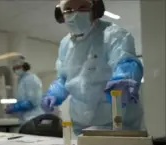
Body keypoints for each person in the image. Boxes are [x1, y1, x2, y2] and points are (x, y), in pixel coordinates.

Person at [41, 0, 144, 135]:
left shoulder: (113, 34)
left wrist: (124, 79)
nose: (75, 14)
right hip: (81, 124)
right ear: (60, 15)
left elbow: (126, 62)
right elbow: (64, 78)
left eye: (83, 7)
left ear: (96, 10)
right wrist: (53, 93)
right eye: (68, 9)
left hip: (117, 122)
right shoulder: (65, 44)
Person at [5, 56, 44, 123]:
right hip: (26, 119)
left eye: (17, 68)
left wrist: (14, 107)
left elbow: (32, 102)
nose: (15, 71)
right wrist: (14, 106)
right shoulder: (22, 80)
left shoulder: (31, 79)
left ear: (25, 67)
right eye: (14, 69)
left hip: (33, 118)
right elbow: (22, 99)